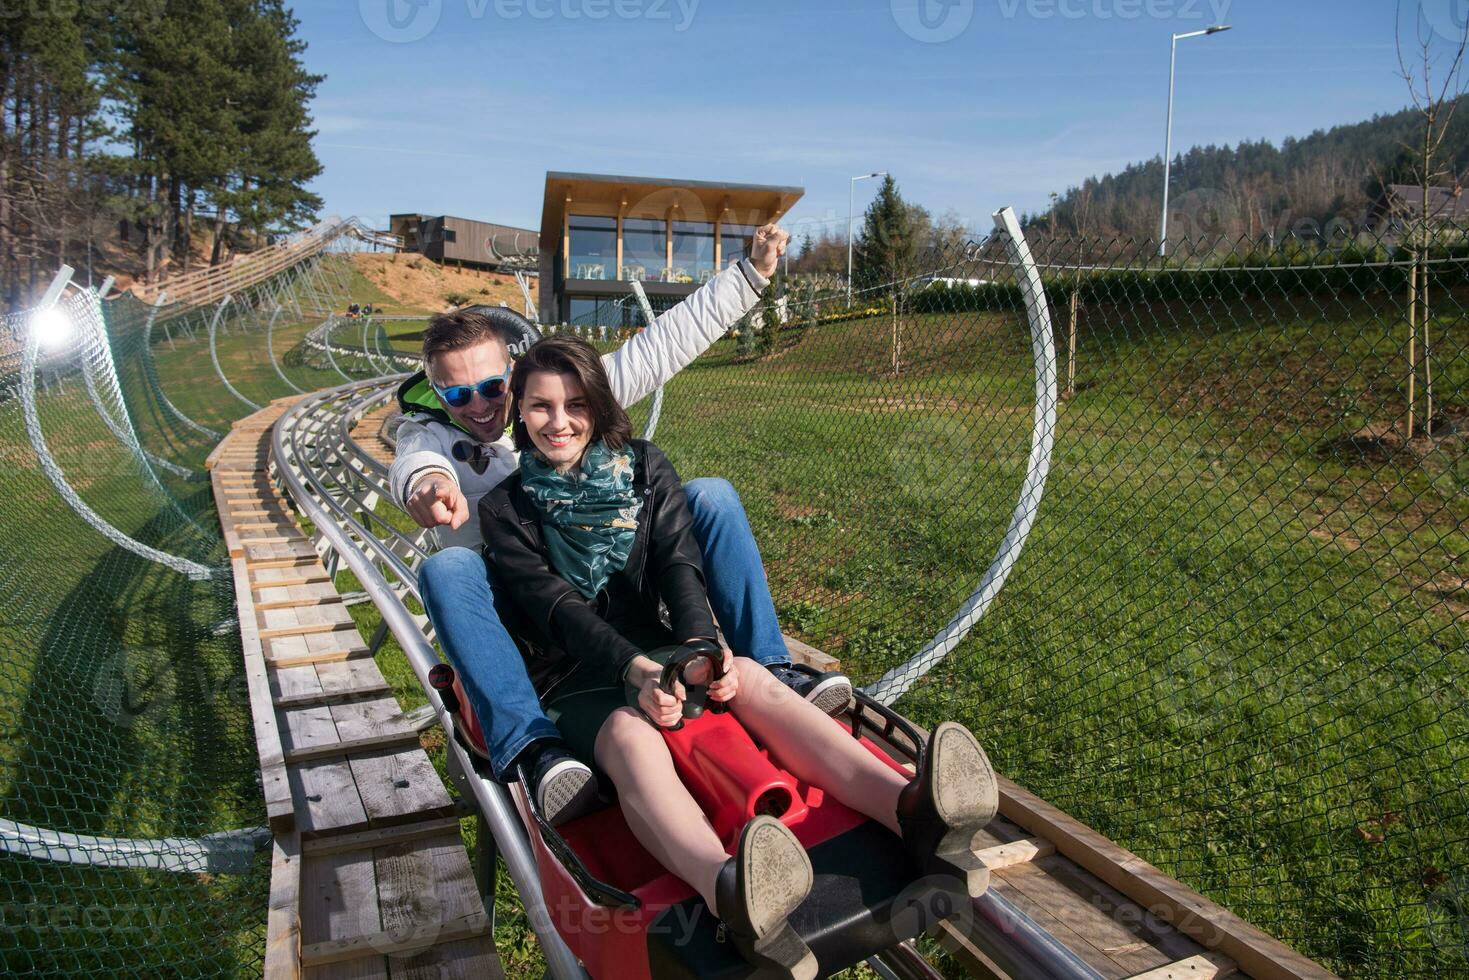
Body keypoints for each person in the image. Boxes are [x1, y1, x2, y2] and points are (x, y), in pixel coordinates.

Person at [479, 334, 998, 979]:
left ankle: (908, 809)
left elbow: (677, 561)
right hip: (579, 675)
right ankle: (724, 885)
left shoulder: (642, 465)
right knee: (629, 734)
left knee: (750, 676)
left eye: (576, 404)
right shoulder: (505, 508)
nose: (559, 422)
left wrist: (706, 649)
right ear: (518, 412)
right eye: (541, 406)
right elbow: (556, 606)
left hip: (661, 643)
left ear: (600, 404)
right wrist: (634, 673)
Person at [392, 224, 853, 824]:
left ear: (512, 375)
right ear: (436, 396)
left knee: (708, 495)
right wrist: (430, 486)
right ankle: (530, 744)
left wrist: (752, 275)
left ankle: (772, 667)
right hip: (523, 609)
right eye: (458, 397)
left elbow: (659, 346)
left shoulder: (550, 404)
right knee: (449, 564)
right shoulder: (431, 437)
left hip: (604, 587)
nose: (480, 406)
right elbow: (417, 463)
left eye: (490, 387)